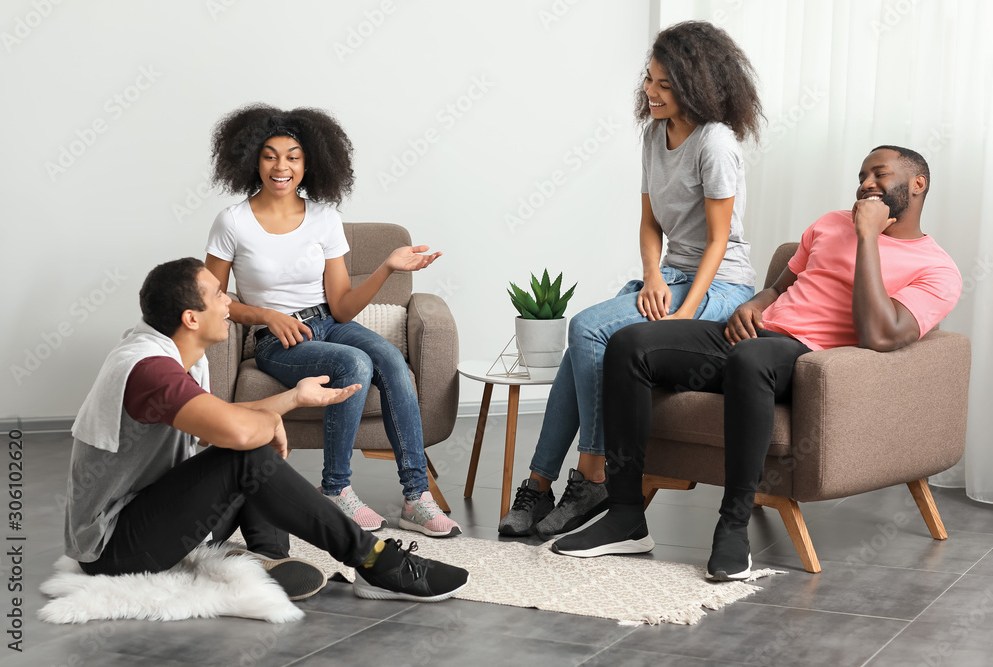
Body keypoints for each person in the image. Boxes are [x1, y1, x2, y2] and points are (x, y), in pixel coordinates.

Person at [550, 146, 963, 581]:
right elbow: (782, 285)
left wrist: (867, 238)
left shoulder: (937, 268)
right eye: (862, 175)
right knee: (629, 343)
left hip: (806, 359)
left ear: (918, 184)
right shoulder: (827, 224)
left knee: (751, 357)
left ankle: (732, 527)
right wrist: (755, 303)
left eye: (880, 174)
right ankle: (626, 517)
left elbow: (880, 336)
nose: (866, 184)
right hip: (751, 336)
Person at [64, 258, 469, 603]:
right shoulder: (150, 370)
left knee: (247, 452)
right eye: (219, 296)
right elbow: (235, 435)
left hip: (157, 519)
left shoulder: (171, 353)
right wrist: (264, 426)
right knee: (247, 454)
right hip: (114, 547)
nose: (230, 303)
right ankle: (376, 562)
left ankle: (268, 558)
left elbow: (217, 419)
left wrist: (293, 398)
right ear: (191, 318)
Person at [499, 21, 763, 538]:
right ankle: (539, 482)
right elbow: (649, 222)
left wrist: (684, 318)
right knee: (584, 346)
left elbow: (718, 240)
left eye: (665, 84)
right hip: (671, 274)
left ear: (698, 84)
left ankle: (594, 473)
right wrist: (651, 278)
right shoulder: (652, 135)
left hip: (721, 284)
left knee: (587, 328)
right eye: (649, 80)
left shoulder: (716, 144)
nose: (650, 92)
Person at [205, 104, 459, 537]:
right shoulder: (233, 222)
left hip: (328, 322)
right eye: (270, 155)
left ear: (309, 164)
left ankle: (416, 498)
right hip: (275, 339)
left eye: (293, 156)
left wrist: (387, 267)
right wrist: (266, 314)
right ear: (253, 160)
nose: (281, 166)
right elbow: (210, 298)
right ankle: (336, 490)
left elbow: (341, 307)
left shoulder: (324, 217)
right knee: (353, 364)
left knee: (393, 363)